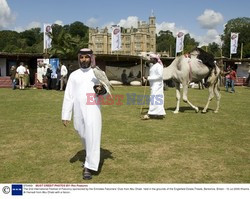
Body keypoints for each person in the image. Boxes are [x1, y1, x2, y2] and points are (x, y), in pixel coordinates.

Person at [62, 48, 107, 180]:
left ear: (91, 58)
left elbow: (106, 90)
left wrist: (102, 90)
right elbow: (68, 95)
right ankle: (89, 157)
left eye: (87, 57)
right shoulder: (74, 75)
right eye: (82, 57)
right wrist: (66, 115)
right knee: (81, 132)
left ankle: (89, 166)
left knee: (92, 135)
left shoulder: (97, 72)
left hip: (93, 109)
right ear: (78, 58)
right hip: (78, 110)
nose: (84, 60)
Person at [142, 53, 166, 120]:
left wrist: (148, 78)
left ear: (154, 59)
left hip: (157, 85)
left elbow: (160, 76)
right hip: (154, 85)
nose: (150, 59)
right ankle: (159, 114)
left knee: (155, 98)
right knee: (156, 99)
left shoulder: (159, 66)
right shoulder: (153, 66)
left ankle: (151, 113)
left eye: (151, 58)